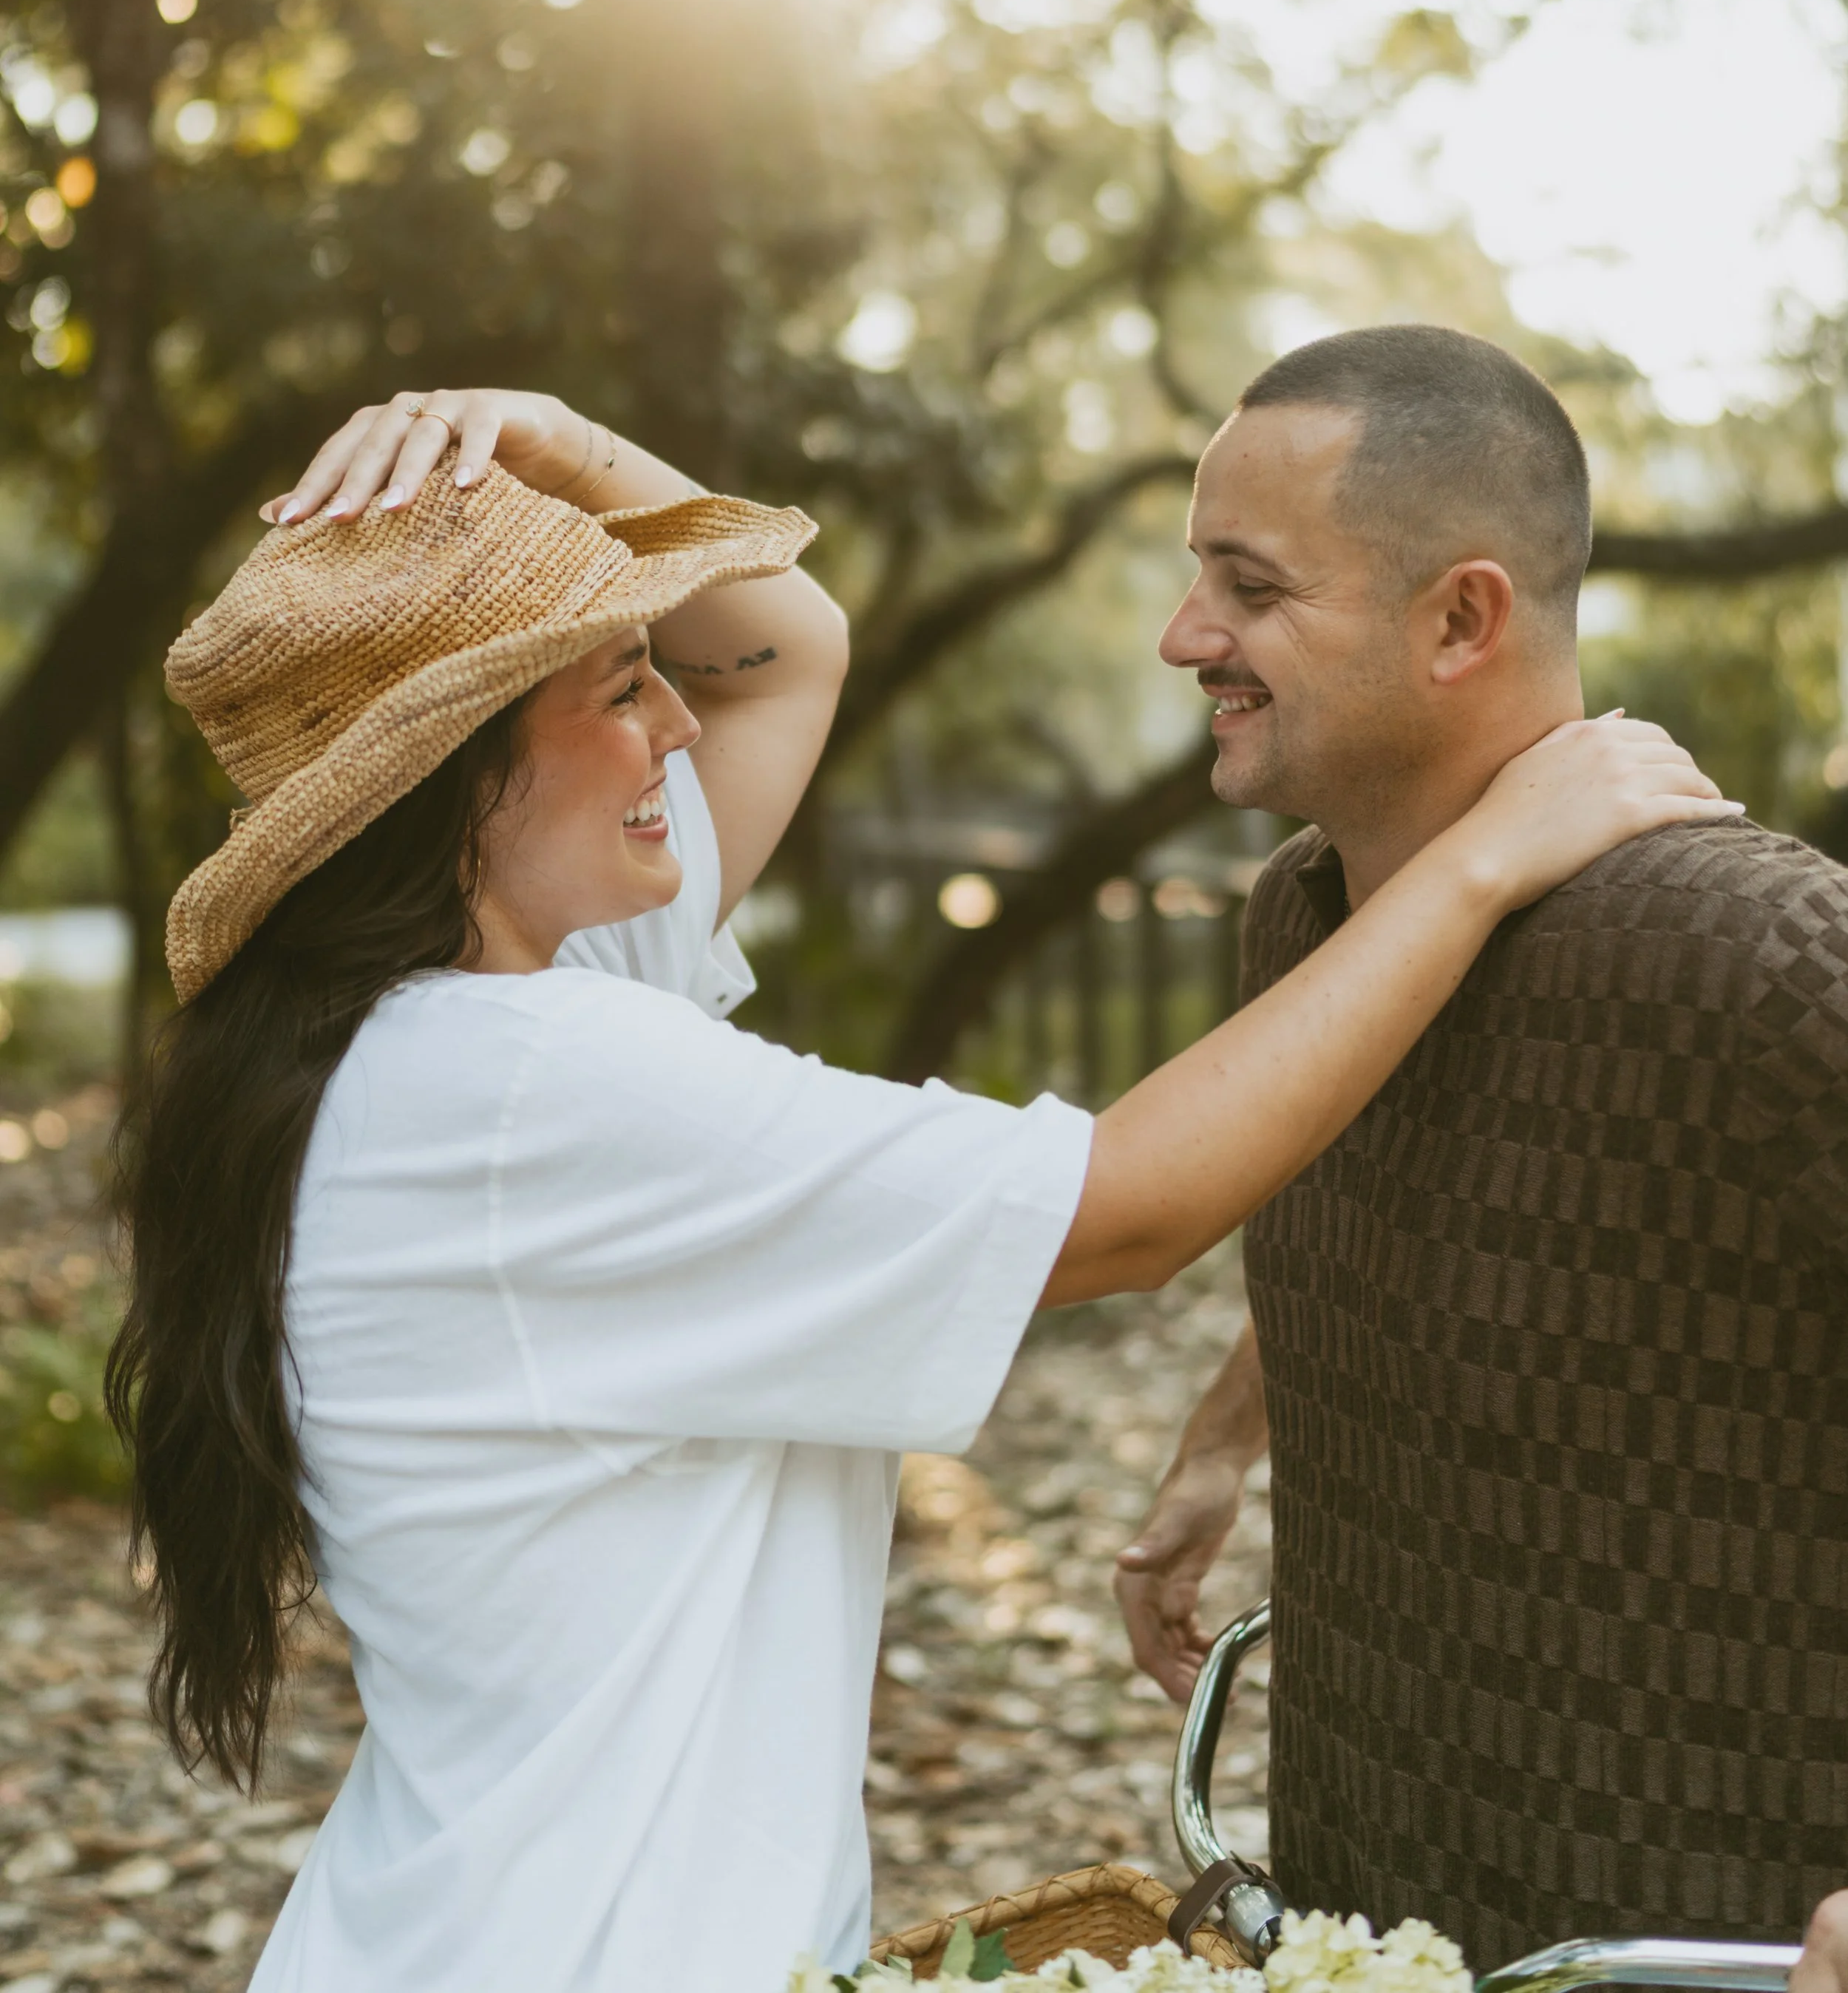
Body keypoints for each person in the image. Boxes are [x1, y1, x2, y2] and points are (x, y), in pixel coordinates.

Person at [109, 384, 1731, 1993]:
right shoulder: (530, 1084)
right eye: (620, 689)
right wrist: (1485, 856)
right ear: (460, 776)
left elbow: (782, 649)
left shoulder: (408, 1032)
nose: (674, 724)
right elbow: (1126, 1209)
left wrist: (560, 446)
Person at [1113, 326, 1848, 1967]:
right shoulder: (1300, 917)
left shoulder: (1758, 953)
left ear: (1459, 618)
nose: (1185, 637)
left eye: (1249, 586)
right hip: (1366, 1910)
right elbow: (1418, 1187)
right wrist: (1227, 1432)